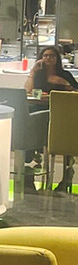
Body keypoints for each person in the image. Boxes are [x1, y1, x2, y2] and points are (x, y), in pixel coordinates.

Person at [25, 45, 78, 190]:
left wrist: (65, 84)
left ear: (57, 59)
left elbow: (75, 91)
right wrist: (32, 71)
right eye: (45, 55)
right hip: (40, 108)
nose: (48, 58)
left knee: (42, 119)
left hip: (60, 111)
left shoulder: (64, 75)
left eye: (52, 56)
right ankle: (31, 152)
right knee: (29, 115)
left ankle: (38, 152)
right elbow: (28, 90)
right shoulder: (38, 75)